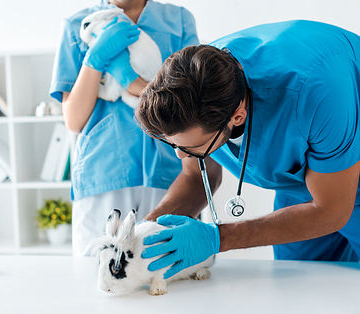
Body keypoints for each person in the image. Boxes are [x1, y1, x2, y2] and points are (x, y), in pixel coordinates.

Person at [135, 20, 360, 278]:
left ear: (236, 117)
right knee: (298, 286)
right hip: (301, 185)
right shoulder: (198, 81)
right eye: (173, 144)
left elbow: (330, 211)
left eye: (192, 147)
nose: (180, 155)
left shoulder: (315, 92)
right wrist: (145, 231)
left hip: (344, 160)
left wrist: (219, 238)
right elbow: (195, 175)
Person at [49, 0, 200, 256]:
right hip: (104, 173)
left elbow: (192, 103)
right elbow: (74, 120)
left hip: (170, 171)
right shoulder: (79, 25)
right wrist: (93, 60)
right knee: (100, 276)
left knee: (165, 273)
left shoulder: (178, 21)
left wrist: (132, 80)